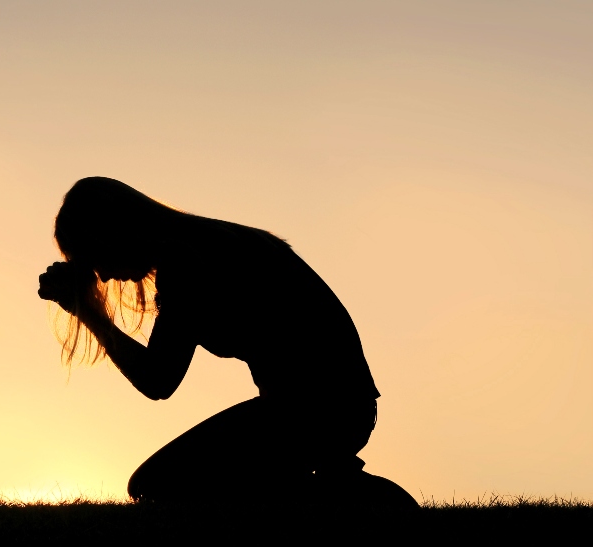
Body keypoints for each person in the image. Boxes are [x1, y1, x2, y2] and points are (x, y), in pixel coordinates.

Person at [37, 177, 414, 507]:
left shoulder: (185, 263)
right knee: (168, 482)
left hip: (315, 411)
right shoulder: (209, 241)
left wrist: (87, 313)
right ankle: (334, 486)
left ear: (114, 232)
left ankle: (345, 496)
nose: (101, 276)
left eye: (95, 257)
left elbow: (158, 380)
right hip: (333, 407)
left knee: (155, 486)